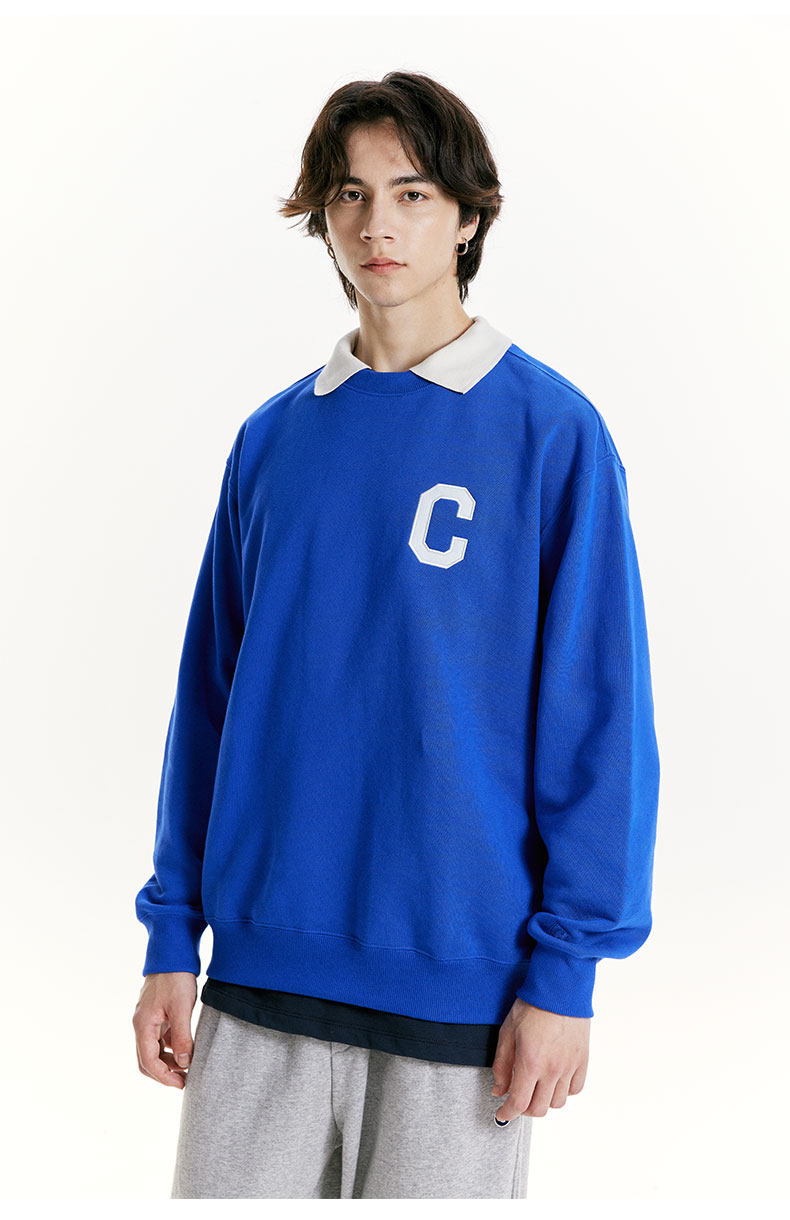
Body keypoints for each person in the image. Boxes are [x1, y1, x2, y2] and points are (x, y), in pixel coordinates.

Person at [132, 70, 660, 1200]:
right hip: (258, 978)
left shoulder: (551, 434)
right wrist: (172, 932)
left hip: (461, 993)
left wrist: (566, 975)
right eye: (351, 194)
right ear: (322, 217)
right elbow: (208, 704)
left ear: (467, 215)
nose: (378, 225)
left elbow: (599, 723)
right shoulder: (272, 440)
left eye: (412, 193)